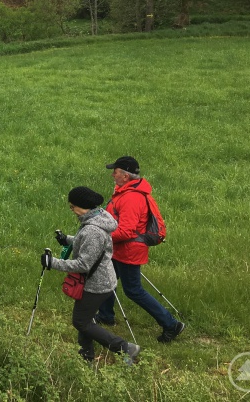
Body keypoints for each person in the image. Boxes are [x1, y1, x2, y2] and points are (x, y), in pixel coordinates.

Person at [44, 186, 141, 364]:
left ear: (83, 206)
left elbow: (83, 264)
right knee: (86, 319)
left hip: (96, 284)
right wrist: (67, 239)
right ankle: (86, 356)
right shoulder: (97, 218)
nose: (71, 210)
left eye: (73, 206)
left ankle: (125, 348)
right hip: (101, 279)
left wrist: (52, 262)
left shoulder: (92, 230)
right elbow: (88, 244)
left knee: (81, 322)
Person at [96, 156, 185, 343]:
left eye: (115, 172)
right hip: (119, 249)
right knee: (106, 279)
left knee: (133, 290)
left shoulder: (132, 198)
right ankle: (105, 315)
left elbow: (126, 231)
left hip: (128, 251)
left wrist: (101, 237)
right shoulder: (126, 192)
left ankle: (171, 324)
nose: (112, 175)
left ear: (126, 176)